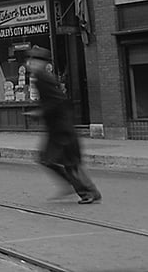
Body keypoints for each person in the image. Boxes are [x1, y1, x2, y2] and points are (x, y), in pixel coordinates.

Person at [26, 46, 101, 204]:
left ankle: (86, 192)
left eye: (33, 60)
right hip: (59, 128)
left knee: (66, 162)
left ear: (40, 63)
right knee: (60, 161)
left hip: (61, 129)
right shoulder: (44, 77)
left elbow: (56, 101)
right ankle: (88, 190)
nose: (30, 63)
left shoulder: (41, 78)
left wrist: (39, 113)